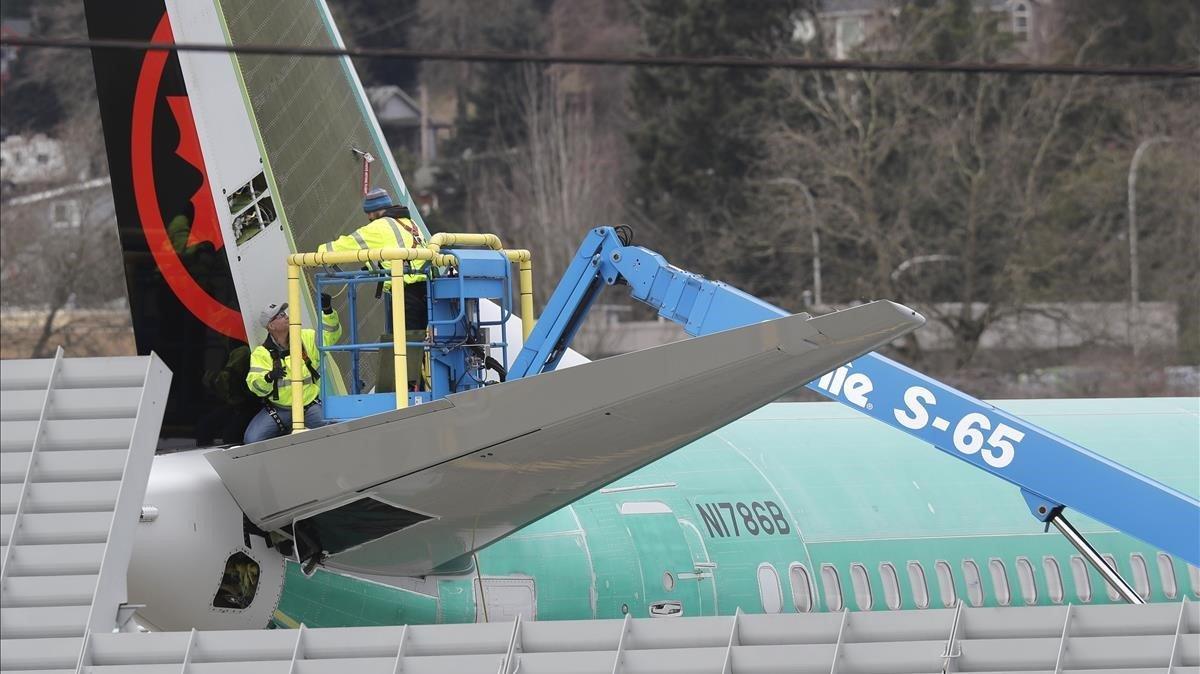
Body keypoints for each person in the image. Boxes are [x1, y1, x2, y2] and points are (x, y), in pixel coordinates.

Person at [318, 188, 429, 392]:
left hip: (405, 292)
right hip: (425, 290)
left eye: (369, 213)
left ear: (374, 211)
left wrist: (319, 254)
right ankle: (418, 385)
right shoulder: (409, 224)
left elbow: (346, 245)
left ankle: (408, 391)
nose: (368, 218)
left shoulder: (379, 226)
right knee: (419, 344)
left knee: (406, 346)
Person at [243, 295, 342, 443]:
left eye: (285, 313)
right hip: (280, 410)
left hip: (308, 406)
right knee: (252, 440)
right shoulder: (261, 353)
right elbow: (255, 386)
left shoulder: (306, 338)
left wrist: (327, 312)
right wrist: (268, 377)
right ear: (271, 326)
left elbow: (330, 336)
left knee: (337, 432)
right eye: (280, 315)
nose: (286, 316)